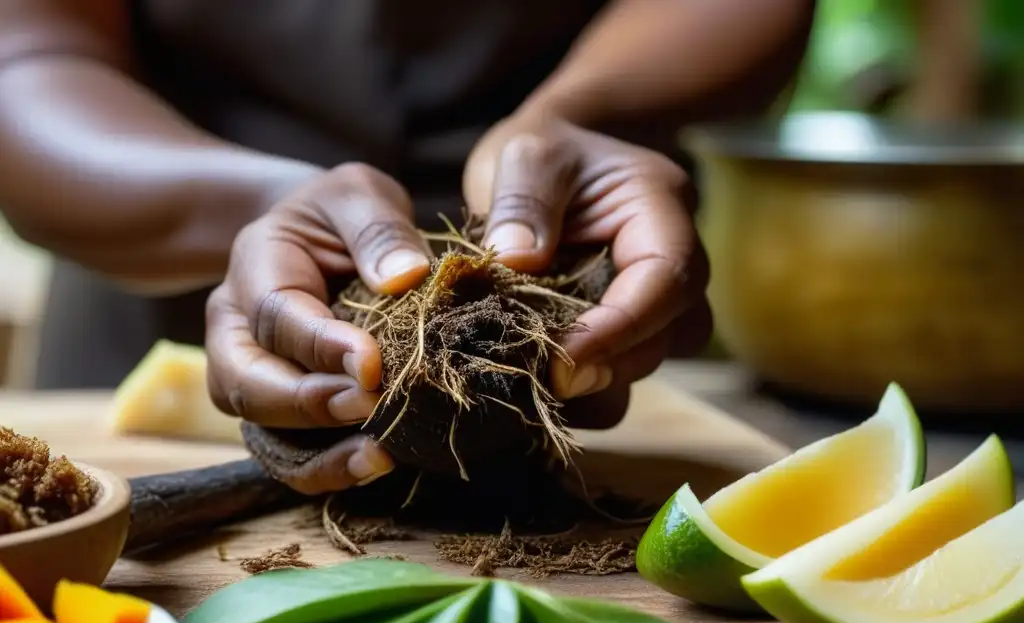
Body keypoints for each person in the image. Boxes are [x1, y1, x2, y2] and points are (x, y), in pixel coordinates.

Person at [0, 0, 815, 492]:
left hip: (549, 274)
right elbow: (25, 56)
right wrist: (260, 204)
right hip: (163, 247)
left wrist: (583, 115)